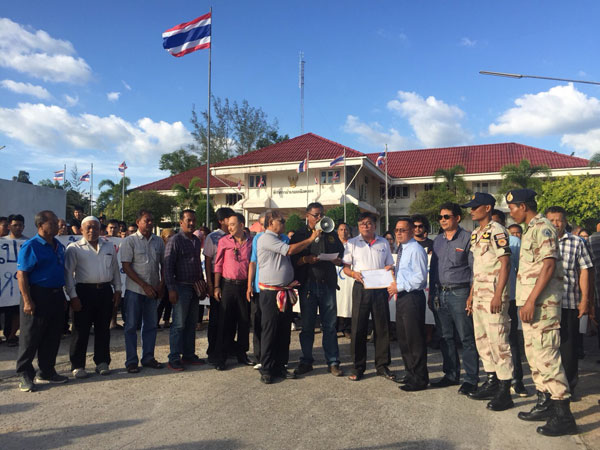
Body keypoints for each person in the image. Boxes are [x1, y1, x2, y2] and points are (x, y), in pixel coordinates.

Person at [506, 189, 576, 436]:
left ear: (523, 206)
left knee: (547, 357)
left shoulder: (543, 227)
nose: (511, 212)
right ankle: (545, 402)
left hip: (542, 306)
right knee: (534, 356)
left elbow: (548, 266)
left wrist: (531, 301)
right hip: (531, 305)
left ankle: (563, 414)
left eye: (513, 208)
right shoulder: (530, 230)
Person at [463, 195, 514, 410]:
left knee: (498, 342)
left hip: (494, 296)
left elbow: (505, 264)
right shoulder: (476, 234)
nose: (471, 211)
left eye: (475, 207)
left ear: (487, 208)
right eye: (470, 208)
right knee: (482, 341)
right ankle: (491, 380)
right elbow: (478, 269)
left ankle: (505, 390)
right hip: (479, 297)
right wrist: (471, 294)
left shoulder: (498, 231)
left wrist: (498, 294)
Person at [256, 210, 319, 384]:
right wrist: (311, 239)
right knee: (270, 330)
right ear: (270, 223)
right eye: (280, 221)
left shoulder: (278, 238)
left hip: (283, 290)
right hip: (271, 292)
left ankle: (280, 366)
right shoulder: (266, 238)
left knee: (283, 330)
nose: (284, 223)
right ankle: (267, 368)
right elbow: (289, 251)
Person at [429, 202, 479, 395]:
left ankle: (471, 379)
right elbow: (433, 269)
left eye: (446, 216)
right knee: (445, 336)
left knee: (466, 337)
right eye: (440, 217)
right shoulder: (438, 240)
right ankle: (450, 374)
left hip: (460, 293)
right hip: (440, 293)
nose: (442, 220)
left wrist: (472, 295)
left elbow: (474, 270)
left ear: (457, 218)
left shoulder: (468, 239)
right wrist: (432, 294)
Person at [16, 211, 68, 391]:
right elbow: (22, 274)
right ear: (41, 225)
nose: (57, 226)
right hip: (37, 295)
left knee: (52, 335)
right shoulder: (31, 246)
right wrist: (27, 300)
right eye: (53, 223)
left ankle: (46, 371)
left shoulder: (59, 245)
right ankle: (24, 374)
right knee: (30, 336)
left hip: (56, 295)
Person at [291, 203, 345, 377]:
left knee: (329, 325)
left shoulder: (330, 232)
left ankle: (333, 361)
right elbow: (293, 260)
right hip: (308, 285)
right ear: (307, 215)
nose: (319, 218)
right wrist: (306, 259)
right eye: (315, 215)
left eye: (321, 214)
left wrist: (337, 260)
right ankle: (306, 360)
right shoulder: (300, 235)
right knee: (307, 326)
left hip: (327, 284)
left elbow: (340, 254)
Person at [64, 216, 122, 378]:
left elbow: (115, 270)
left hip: (104, 292)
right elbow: (68, 274)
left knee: (103, 329)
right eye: (88, 228)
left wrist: (118, 290)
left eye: (95, 227)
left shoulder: (109, 246)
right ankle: (78, 365)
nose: (92, 231)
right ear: (81, 230)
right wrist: (73, 296)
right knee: (80, 330)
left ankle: (102, 362)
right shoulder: (74, 248)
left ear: (100, 229)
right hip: (83, 292)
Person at [545, 206, 592, 397]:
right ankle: (548, 388)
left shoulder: (577, 242)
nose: (556, 224)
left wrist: (585, 300)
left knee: (568, 348)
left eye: (559, 220)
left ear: (565, 221)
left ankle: (569, 386)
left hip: (568, 302)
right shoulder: (540, 241)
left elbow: (585, 271)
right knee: (547, 347)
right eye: (552, 220)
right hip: (546, 305)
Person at [342, 212, 395, 382]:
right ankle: (358, 367)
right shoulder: (351, 244)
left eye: (369, 223)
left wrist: (389, 271)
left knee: (382, 327)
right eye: (362, 224)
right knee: (358, 328)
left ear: (374, 225)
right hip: (361, 287)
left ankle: (382, 365)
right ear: (358, 227)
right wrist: (354, 274)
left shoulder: (383, 242)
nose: (366, 226)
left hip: (379, 288)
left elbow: (389, 264)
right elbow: (345, 268)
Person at [120, 210, 166, 373]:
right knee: (131, 326)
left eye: (152, 220)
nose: (150, 223)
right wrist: (144, 285)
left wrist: (161, 284)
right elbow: (126, 266)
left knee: (151, 326)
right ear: (138, 222)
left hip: (153, 291)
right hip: (135, 291)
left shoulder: (158, 241)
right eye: (147, 220)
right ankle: (131, 361)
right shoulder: (129, 241)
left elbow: (164, 265)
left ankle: (148, 357)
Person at [387, 217, 429, 391]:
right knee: (403, 339)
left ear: (412, 231)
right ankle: (410, 373)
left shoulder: (416, 249)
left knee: (414, 339)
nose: (398, 233)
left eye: (402, 230)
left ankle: (419, 378)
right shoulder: (402, 249)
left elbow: (420, 278)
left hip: (412, 297)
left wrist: (400, 286)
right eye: (397, 230)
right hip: (402, 297)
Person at [491, 209, 529, 397]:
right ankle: (496, 379)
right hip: (488, 297)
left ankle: (517, 380)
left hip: (509, 297)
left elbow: (521, 269)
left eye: (496, 222)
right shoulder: (482, 240)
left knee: (510, 339)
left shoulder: (514, 242)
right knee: (493, 339)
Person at [164, 210, 206, 371]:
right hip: (180, 287)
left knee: (191, 324)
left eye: (193, 220)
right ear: (181, 222)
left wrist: (201, 284)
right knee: (179, 325)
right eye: (188, 220)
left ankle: (189, 355)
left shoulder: (195, 240)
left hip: (194, 287)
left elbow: (197, 265)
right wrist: (171, 289)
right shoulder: (175, 240)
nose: (191, 223)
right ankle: (174, 357)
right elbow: (168, 267)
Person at [213, 213, 253, 370]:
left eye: (232, 224)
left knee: (244, 321)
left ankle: (242, 354)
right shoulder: (224, 241)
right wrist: (216, 286)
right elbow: (218, 265)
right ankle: (221, 357)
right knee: (225, 322)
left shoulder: (251, 242)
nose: (229, 227)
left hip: (244, 286)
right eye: (228, 224)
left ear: (242, 225)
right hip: (228, 285)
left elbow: (253, 263)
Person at [247, 212, 286, 370]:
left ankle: (278, 362)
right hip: (262, 288)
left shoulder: (284, 238)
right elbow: (253, 262)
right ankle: (261, 358)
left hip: (282, 289)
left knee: (280, 327)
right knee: (262, 325)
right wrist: (249, 285)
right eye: (280, 221)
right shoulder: (260, 238)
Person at [204, 207, 235, 363]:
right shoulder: (212, 237)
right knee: (216, 317)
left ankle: (228, 347)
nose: (232, 221)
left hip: (231, 279)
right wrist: (210, 283)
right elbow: (208, 260)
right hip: (217, 278)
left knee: (230, 316)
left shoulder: (235, 236)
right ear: (222, 221)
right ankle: (213, 350)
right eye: (229, 218)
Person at [1, 214, 27, 347]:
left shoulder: (28, 242)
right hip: (3, 284)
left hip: (18, 285)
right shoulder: (1, 242)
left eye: (20, 225)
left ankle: (11, 336)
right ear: (9, 226)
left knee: (17, 311)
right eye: (15, 225)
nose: (18, 228)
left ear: (24, 226)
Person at [336, 222, 352, 339]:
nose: (343, 232)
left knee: (347, 301)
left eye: (346, 229)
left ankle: (347, 328)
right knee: (336, 301)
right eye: (341, 229)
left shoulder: (352, 245)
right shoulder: (333, 244)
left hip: (348, 277)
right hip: (335, 276)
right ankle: (335, 327)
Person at [157, 228, 175, 329]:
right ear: (163, 237)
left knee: (169, 301)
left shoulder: (175, 247)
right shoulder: (161, 248)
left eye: (173, 236)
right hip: (162, 278)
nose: (172, 238)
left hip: (172, 278)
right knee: (162, 300)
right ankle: (156, 320)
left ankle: (167, 320)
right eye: (169, 236)